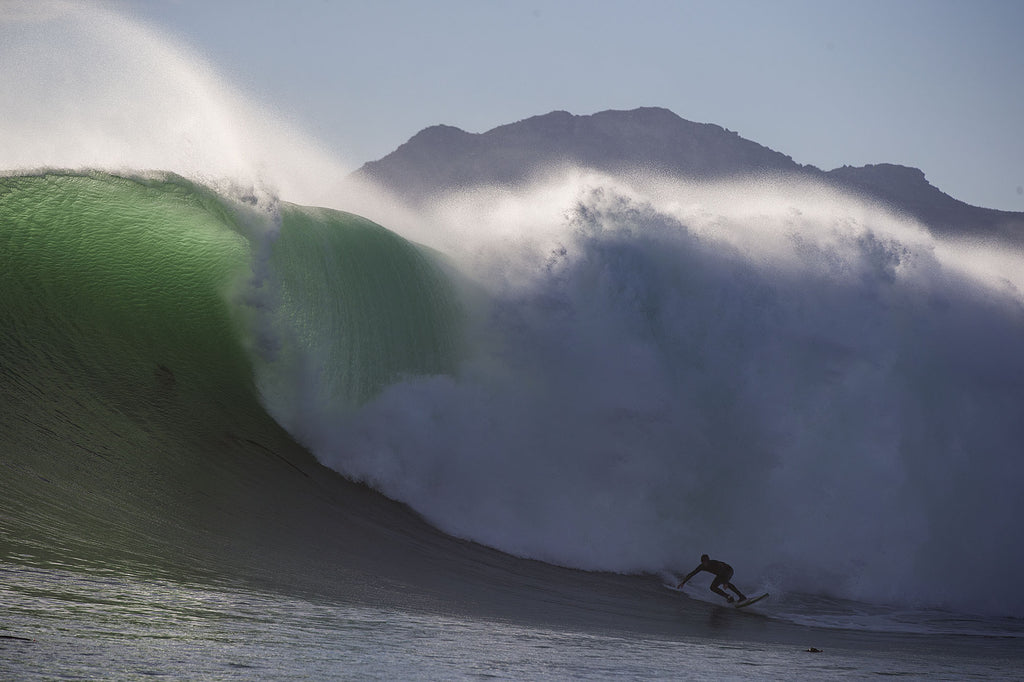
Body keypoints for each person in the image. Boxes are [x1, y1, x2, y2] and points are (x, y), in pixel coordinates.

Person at [677, 554, 747, 603]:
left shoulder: (715, 563)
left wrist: (725, 583)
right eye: (703, 562)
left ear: (709, 561)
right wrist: (683, 582)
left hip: (728, 570)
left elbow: (724, 571)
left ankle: (741, 596)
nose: (705, 564)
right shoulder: (702, 566)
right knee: (713, 587)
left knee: (724, 582)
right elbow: (692, 573)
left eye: (706, 562)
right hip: (720, 574)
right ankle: (729, 597)